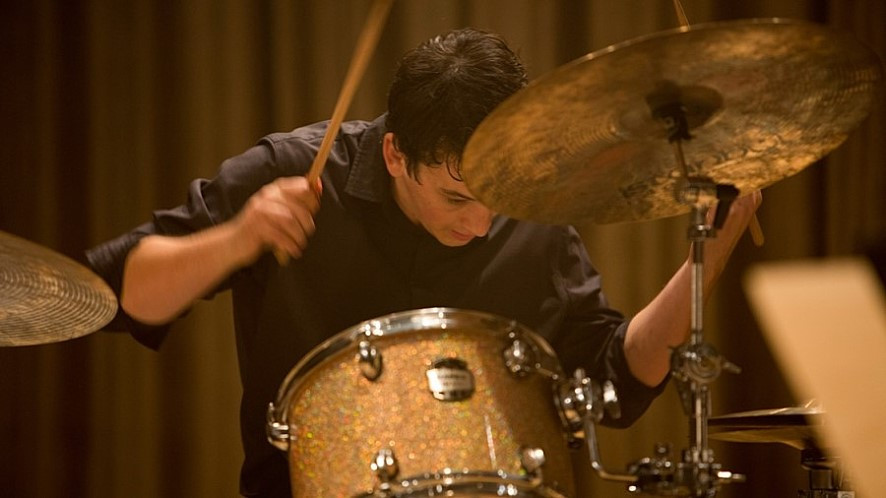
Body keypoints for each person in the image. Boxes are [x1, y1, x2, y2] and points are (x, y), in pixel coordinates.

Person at [87, 28, 760, 497]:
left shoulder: (537, 215)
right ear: (394, 155)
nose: (481, 224)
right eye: (456, 197)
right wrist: (235, 239)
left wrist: (708, 255)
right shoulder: (295, 172)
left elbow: (616, 385)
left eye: (497, 194)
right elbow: (110, 292)